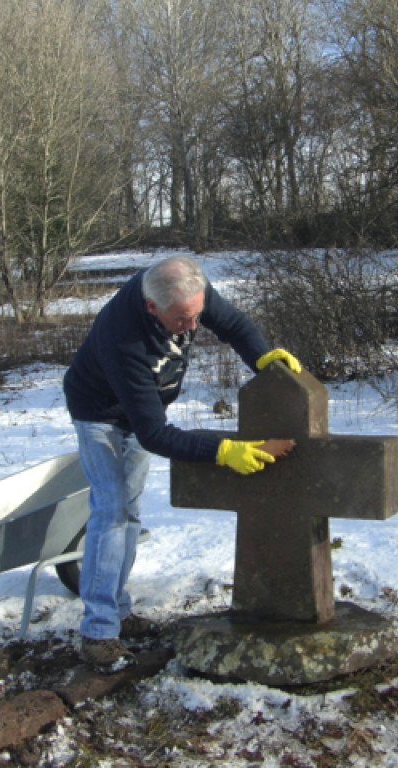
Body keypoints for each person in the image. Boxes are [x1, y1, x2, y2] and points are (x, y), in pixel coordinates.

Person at [63, 254, 301, 671]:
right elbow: (153, 435)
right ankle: (98, 632)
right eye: (181, 321)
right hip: (102, 414)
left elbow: (235, 326)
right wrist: (223, 450)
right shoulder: (124, 339)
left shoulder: (186, 289)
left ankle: (118, 612)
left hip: (143, 408)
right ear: (153, 308)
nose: (192, 328)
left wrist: (263, 359)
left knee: (128, 513)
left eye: (196, 316)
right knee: (112, 511)